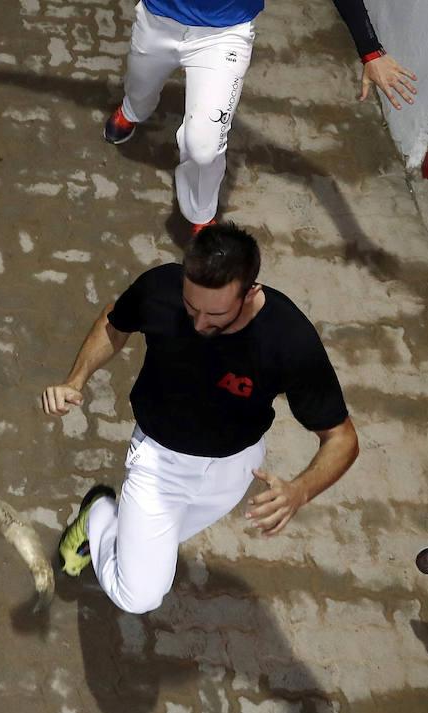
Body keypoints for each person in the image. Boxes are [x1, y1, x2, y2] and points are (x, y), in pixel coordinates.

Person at [40, 222, 358, 615]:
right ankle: (99, 515)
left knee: (157, 545)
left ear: (251, 292)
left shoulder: (288, 339)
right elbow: (114, 322)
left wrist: (300, 491)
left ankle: (122, 531)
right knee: (138, 595)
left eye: (216, 314)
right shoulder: (160, 288)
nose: (199, 325)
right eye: (191, 308)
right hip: (160, 463)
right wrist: (76, 379)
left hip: (234, 470)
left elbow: (341, 438)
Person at [104, 0, 418, 234]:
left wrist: (370, 50)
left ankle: (200, 213)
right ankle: (133, 110)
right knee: (140, 88)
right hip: (157, 21)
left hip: (224, 37)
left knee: (204, 146)